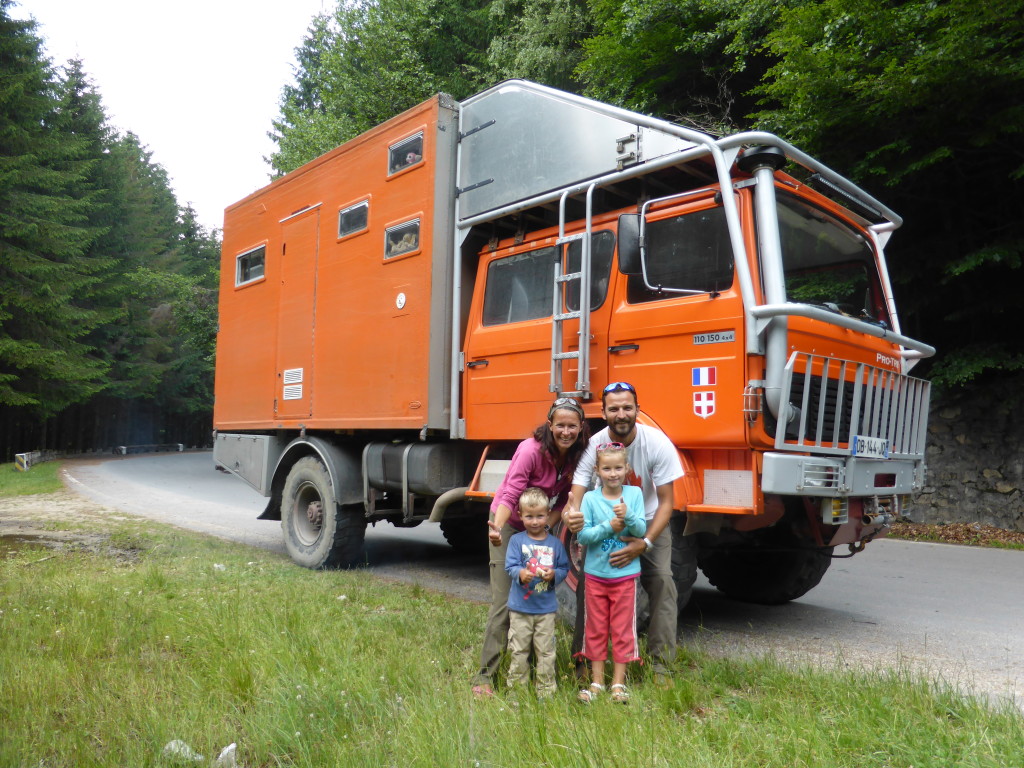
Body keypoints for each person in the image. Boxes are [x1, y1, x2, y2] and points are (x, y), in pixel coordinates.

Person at [565, 381, 684, 686]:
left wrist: (644, 543)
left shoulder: (656, 443)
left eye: (627, 407)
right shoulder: (596, 444)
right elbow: (578, 487)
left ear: (637, 410)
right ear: (603, 412)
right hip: (607, 527)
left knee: (661, 582)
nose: (621, 414)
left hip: (647, 521)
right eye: (614, 408)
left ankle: (660, 667)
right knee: (586, 584)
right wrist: (573, 513)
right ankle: (582, 664)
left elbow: (668, 502)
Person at [471, 397, 590, 698]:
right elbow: (510, 495)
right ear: (549, 425)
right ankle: (486, 676)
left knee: (537, 590)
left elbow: (565, 501)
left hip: (538, 525)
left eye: (572, 426)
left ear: (580, 428)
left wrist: (545, 529)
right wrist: (498, 529)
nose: (566, 431)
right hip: (509, 523)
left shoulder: (578, 456)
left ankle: (533, 666)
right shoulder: (530, 451)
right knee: (505, 599)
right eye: (560, 425)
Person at [576, 443, 646, 703]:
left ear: (627, 468)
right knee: (595, 629)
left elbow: (640, 530)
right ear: (597, 470)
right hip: (595, 577)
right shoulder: (591, 499)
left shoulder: (634, 494)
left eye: (618, 468)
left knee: (622, 630)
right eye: (607, 468)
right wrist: (609, 526)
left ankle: (618, 684)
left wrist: (627, 517)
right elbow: (583, 535)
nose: (613, 473)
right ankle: (596, 682)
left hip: (624, 578)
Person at [504, 487, 570, 698]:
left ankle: (546, 692)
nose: (535, 521)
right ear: (520, 515)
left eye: (540, 516)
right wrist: (521, 573)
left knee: (546, 652)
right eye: (529, 516)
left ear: (548, 514)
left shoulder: (555, 543)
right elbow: (510, 566)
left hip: (545, 610)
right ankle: (517, 692)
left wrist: (553, 575)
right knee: (519, 650)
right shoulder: (516, 541)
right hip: (520, 609)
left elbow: (563, 568)